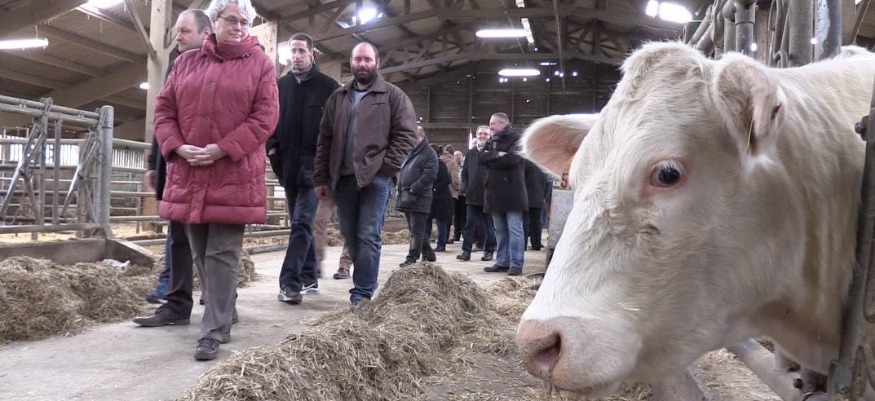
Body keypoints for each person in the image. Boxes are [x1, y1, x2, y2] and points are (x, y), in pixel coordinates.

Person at [153, 0, 279, 360]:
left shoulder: (261, 65)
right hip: (190, 170)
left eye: (245, 22)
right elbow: (164, 111)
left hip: (234, 172)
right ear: (215, 21)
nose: (239, 27)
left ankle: (213, 329)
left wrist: (223, 149)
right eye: (232, 20)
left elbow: (266, 117)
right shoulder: (186, 63)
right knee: (200, 250)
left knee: (222, 253)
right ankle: (223, 307)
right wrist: (177, 147)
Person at [314, 42, 417, 305]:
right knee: (350, 235)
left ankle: (362, 293)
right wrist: (321, 178)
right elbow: (324, 140)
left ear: (377, 63)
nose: (362, 64)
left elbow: (406, 135)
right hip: (344, 178)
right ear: (351, 62)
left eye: (367, 59)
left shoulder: (393, 96)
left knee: (369, 234)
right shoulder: (338, 97)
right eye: (357, 59)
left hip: (376, 179)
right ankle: (365, 282)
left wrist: (385, 169)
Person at [135, 9, 211, 321]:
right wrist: (155, 161)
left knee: (210, 238)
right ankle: (176, 302)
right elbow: (163, 116)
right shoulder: (175, 66)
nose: (177, 37)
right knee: (177, 234)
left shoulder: (219, 67)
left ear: (205, 34)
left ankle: (220, 300)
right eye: (177, 30)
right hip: (176, 164)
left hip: (207, 165)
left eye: (184, 31)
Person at [266, 32, 339, 304]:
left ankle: (289, 282)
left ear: (312, 53)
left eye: (301, 51)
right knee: (301, 224)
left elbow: (337, 130)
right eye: (293, 51)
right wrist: (272, 149)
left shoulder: (328, 87)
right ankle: (309, 276)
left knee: (301, 222)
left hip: (314, 170)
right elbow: (268, 120)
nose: (296, 56)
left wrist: (329, 167)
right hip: (287, 168)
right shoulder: (279, 86)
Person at [480, 112, 527, 276]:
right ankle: (502, 262)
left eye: (493, 124)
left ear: (503, 124)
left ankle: (516, 264)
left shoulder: (518, 139)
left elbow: (512, 159)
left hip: (512, 192)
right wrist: (498, 155)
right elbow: (481, 158)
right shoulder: (491, 141)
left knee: (514, 229)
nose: (490, 127)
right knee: (500, 230)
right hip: (494, 192)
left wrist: (491, 159)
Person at [397, 126, 438, 267]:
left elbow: (430, 174)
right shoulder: (412, 152)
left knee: (416, 229)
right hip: (408, 196)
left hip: (420, 197)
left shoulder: (428, 153)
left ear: (420, 136)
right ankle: (429, 254)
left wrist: (414, 188)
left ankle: (412, 258)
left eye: (412, 136)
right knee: (415, 228)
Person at [457, 125, 495, 262]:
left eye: (485, 134)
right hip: (472, 196)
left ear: (490, 136)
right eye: (480, 134)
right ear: (476, 136)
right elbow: (465, 173)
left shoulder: (492, 152)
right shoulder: (470, 153)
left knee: (489, 226)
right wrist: (465, 188)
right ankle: (466, 251)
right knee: (469, 224)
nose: (482, 136)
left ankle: (489, 251)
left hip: (488, 196)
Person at [313, 197, 353, 279]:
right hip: (328, 190)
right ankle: (316, 263)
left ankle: (345, 265)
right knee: (318, 221)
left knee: (350, 224)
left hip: (349, 190)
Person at [427, 145, 452, 252]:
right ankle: (426, 244)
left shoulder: (439, 163)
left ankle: (441, 244)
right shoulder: (429, 163)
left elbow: (447, 179)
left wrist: (435, 188)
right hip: (431, 198)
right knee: (427, 221)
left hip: (441, 198)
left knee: (441, 222)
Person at [523, 159, 549, 251]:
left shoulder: (525, 163)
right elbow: (547, 182)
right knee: (536, 222)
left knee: (525, 221)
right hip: (538, 196)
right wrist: (544, 195)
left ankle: (523, 244)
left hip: (526, 196)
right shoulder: (542, 166)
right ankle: (536, 244)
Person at [451, 150, 466, 243]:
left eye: (459, 155)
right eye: (456, 155)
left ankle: (465, 234)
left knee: (464, 216)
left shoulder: (465, 166)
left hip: (463, 194)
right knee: (456, 216)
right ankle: (456, 235)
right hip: (455, 194)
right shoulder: (453, 167)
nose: (458, 157)